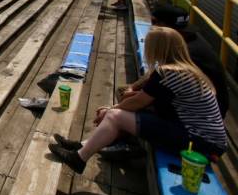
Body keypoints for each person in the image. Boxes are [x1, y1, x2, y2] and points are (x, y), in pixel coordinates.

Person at [49, 27, 227, 174]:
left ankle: (79, 158)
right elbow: (143, 100)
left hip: (198, 141)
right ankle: (81, 146)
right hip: (201, 137)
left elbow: (138, 102)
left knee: (115, 117)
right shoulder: (185, 69)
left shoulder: (168, 73)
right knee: (119, 115)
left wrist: (110, 109)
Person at [142, 4, 229, 117]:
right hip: (208, 105)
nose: (151, 27)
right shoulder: (189, 41)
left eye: (154, 22)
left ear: (163, 27)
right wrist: (136, 87)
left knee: (136, 106)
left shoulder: (187, 53)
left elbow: (160, 78)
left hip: (204, 114)